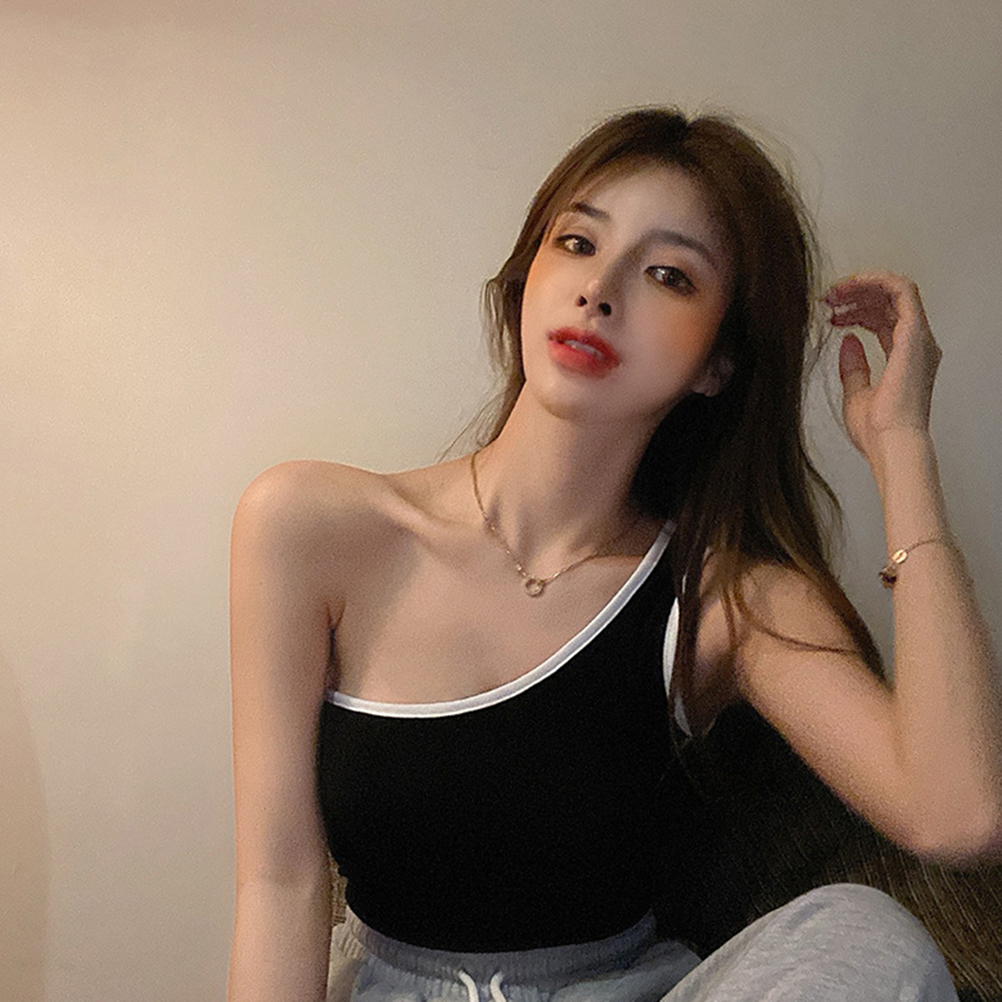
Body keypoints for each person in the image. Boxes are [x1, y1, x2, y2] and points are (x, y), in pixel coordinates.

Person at [226, 107, 1002, 1002]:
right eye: (578, 242)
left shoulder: (724, 599)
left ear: (718, 363)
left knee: (872, 936)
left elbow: (956, 813)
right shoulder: (311, 527)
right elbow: (278, 884)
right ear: (527, 276)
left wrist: (902, 450)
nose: (600, 290)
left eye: (669, 275)